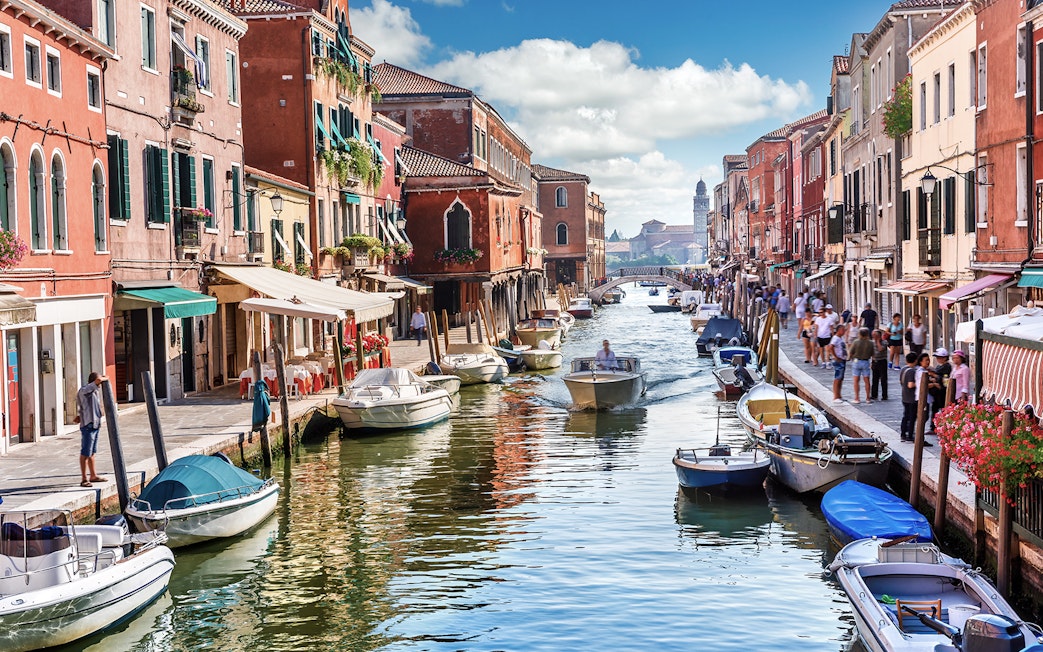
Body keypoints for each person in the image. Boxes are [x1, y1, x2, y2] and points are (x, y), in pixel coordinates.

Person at [75, 371, 109, 487]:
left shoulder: (95, 392)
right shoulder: (85, 390)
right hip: (88, 425)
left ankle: (93, 475)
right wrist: (105, 377)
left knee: (92, 452)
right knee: (85, 452)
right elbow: (98, 380)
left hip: (95, 424)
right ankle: (84, 479)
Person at [849, 327, 874, 404]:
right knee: (867, 381)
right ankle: (868, 398)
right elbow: (872, 353)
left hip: (857, 361)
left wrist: (851, 358)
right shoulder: (870, 343)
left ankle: (857, 398)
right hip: (866, 361)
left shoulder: (856, 342)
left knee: (856, 380)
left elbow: (851, 352)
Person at [899, 353, 920, 442]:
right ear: (915, 360)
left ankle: (903, 433)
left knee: (905, 416)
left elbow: (901, 381)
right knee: (912, 417)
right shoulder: (912, 371)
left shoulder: (903, 369)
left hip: (904, 396)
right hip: (911, 397)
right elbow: (910, 385)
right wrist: (919, 383)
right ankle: (910, 434)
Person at [929, 348, 951, 429]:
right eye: (937, 357)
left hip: (942, 391)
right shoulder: (939, 366)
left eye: (940, 357)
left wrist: (934, 376)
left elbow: (944, 379)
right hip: (937, 392)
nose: (938, 359)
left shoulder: (947, 367)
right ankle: (933, 426)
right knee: (934, 408)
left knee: (942, 408)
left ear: (945, 358)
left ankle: (942, 426)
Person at [828, 324, 848, 403]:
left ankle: (839, 395)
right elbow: (831, 347)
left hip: (842, 359)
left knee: (841, 378)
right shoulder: (835, 338)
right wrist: (835, 356)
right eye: (843, 330)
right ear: (839, 330)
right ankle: (835, 396)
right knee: (838, 377)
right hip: (839, 360)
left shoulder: (840, 338)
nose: (844, 331)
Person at [870, 329, 889, 401]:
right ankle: (874, 395)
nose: (873, 337)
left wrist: (878, 341)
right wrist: (872, 362)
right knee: (874, 379)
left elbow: (880, 349)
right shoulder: (872, 342)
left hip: (882, 361)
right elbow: (872, 353)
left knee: (883, 379)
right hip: (875, 361)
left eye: (875, 335)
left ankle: (884, 395)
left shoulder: (884, 342)